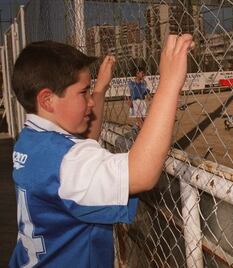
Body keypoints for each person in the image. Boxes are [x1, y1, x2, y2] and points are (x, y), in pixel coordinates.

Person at [9, 34, 194, 267]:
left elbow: (84, 144)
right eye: (83, 92)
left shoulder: (32, 141)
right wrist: (169, 83)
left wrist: (99, 90)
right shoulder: (65, 162)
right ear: (47, 100)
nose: (89, 103)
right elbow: (140, 173)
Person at [128, 66, 148, 130]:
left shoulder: (143, 83)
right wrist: (130, 101)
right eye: (142, 73)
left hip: (142, 101)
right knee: (138, 118)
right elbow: (130, 93)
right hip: (135, 101)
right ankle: (142, 130)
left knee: (144, 118)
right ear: (137, 73)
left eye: (143, 73)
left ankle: (138, 127)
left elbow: (146, 93)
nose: (143, 75)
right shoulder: (131, 83)